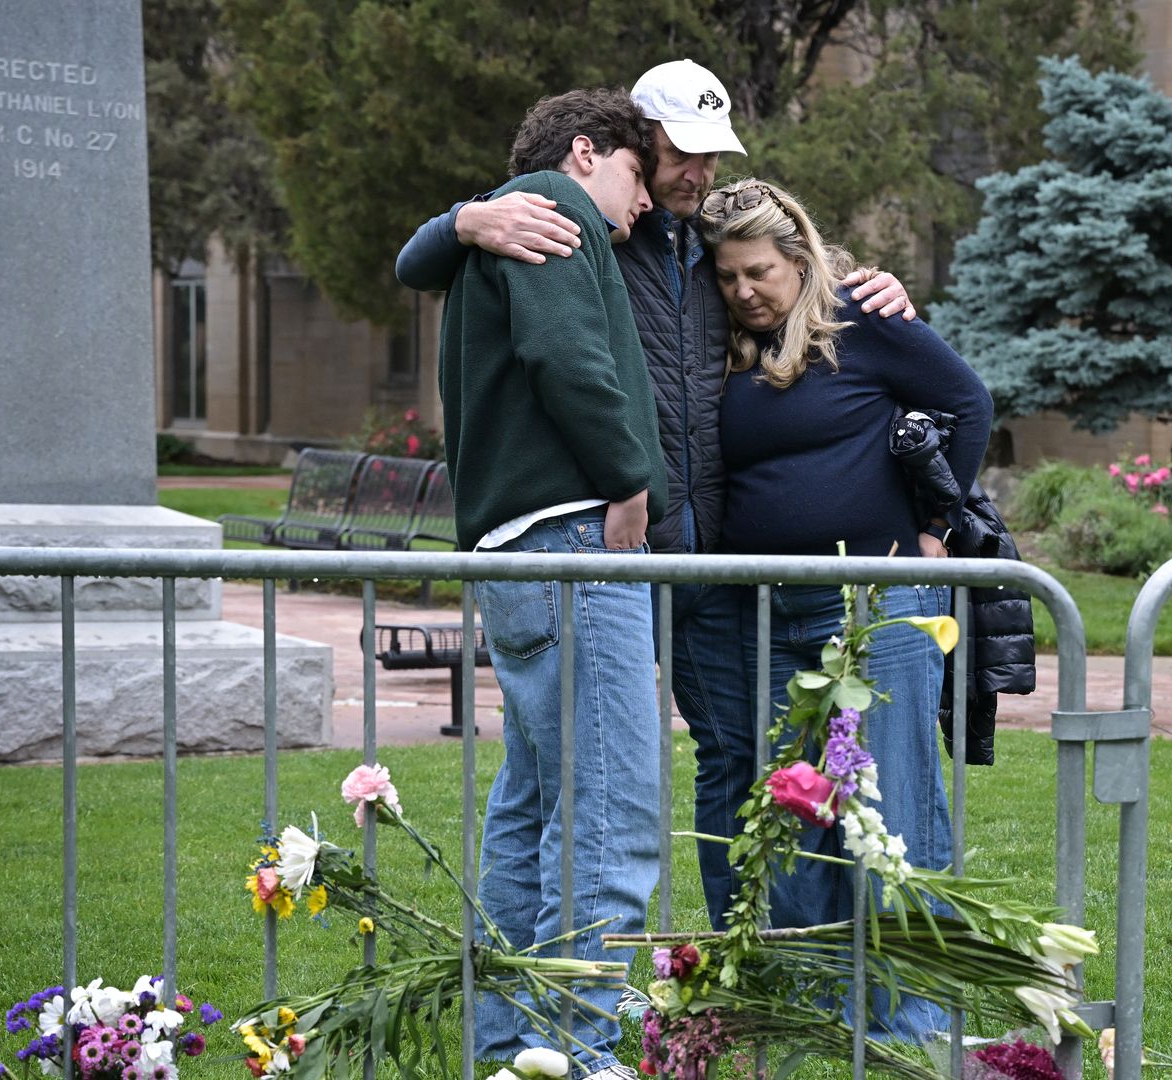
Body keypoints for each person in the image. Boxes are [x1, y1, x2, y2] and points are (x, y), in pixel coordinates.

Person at [396, 59, 918, 930]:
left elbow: (792, 276)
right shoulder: (583, 220)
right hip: (616, 537)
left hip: (710, 546)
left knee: (743, 756)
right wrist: (464, 217)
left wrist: (879, 286)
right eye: (680, 156)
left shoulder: (705, 237)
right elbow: (426, 266)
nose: (699, 175)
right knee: (612, 782)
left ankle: (755, 953)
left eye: (714, 157)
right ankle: (592, 1013)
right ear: (632, 145)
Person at [694, 177, 993, 1040]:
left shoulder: (866, 319)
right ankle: (813, 1006)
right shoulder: (718, 343)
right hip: (764, 611)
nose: (744, 291)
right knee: (791, 804)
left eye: (759, 272)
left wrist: (937, 523)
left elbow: (968, 402)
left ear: (799, 259)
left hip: (875, 603)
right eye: (728, 277)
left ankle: (909, 1017)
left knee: (890, 801)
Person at [435, 86, 662, 1080]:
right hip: (571, 545)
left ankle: (510, 1056)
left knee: (534, 813)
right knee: (610, 817)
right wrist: (628, 480)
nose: (646, 199)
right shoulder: (553, 212)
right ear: (586, 151)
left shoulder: (500, 224)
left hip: (516, 552)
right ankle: (574, 1056)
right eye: (637, 172)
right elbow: (566, 356)